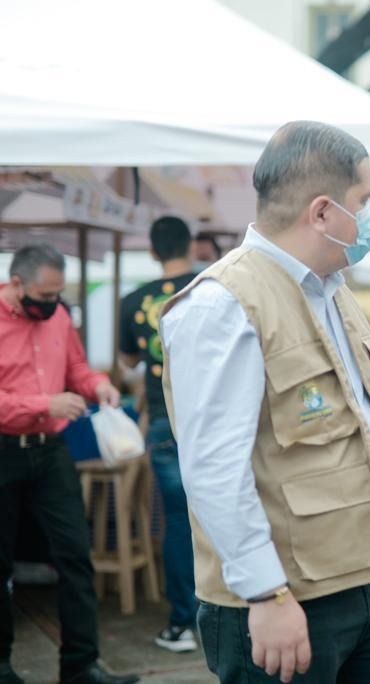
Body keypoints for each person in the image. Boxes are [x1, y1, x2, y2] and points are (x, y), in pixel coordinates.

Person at [160, 121, 370, 683]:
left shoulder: (335, 290)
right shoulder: (223, 305)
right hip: (289, 600)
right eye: (365, 200)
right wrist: (265, 594)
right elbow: (213, 469)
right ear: (323, 212)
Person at [0, 245, 139, 684]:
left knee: (76, 555)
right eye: (45, 295)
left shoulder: (58, 315)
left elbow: (76, 365)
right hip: (3, 448)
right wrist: (47, 401)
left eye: (59, 294)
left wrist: (98, 387)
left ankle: (81, 665)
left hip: (50, 450)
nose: (53, 304)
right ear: (16, 283)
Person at [118, 216, 198, 653]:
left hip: (165, 418)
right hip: (215, 417)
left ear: (151, 251)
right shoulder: (213, 285)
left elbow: (127, 362)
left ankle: (183, 624)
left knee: (179, 522)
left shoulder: (133, 300)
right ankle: (241, 611)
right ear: (191, 245)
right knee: (230, 505)